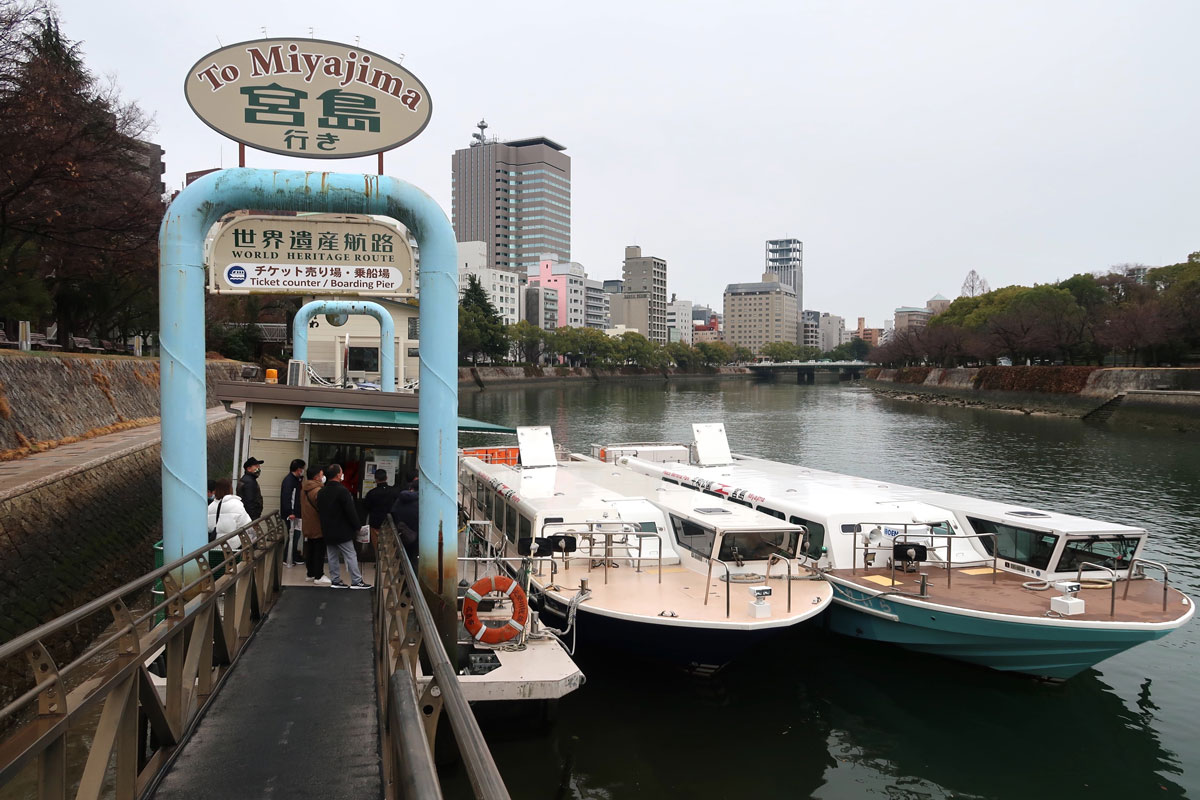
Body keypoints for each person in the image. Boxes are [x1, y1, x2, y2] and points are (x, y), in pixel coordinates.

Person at [317, 464, 371, 589]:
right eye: (341, 472)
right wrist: (357, 526)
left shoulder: (322, 492)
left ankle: (335, 580)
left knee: (332, 556)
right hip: (342, 530)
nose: (342, 474)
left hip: (327, 529)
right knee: (350, 555)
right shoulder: (342, 491)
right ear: (338, 475)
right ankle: (356, 581)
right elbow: (350, 511)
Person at [300, 465, 330, 584]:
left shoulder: (305, 488)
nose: (323, 477)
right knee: (319, 550)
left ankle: (310, 573)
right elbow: (322, 507)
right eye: (322, 475)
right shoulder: (318, 491)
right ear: (317, 477)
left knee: (311, 549)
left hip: (308, 523)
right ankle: (319, 575)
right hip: (317, 524)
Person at [363, 468, 401, 557]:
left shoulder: (371, 493)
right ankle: (387, 564)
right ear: (386, 477)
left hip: (375, 522)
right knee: (389, 545)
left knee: (377, 544)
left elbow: (366, 506)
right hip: (390, 523)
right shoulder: (394, 492)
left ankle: (378, 561)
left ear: (375, 479)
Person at [207, 477, 253, 550]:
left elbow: (209, 528)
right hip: (234, 547)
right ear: (230, 488)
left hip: (216, 546)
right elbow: (247, 525)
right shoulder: (236, 504)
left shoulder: (210, 507)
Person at [388, 473, 419, 571]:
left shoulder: (400, 499)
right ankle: (411, 584)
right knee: (414, 560)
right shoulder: (422, 502)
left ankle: (402, 579)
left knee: (403, 558)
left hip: (402, 533)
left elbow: (393, 512)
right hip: (416, 536)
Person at [280, 458, 305, 566]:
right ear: (298, 469)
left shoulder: (296, 480)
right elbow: (288, 498)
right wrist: (290, 512)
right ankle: (288, 557)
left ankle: (293, 555)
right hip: (292, 514)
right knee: (293, 536)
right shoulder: (289, 481)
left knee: (296, 535)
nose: (303, 470)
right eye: (302, 468)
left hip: (296, 513)